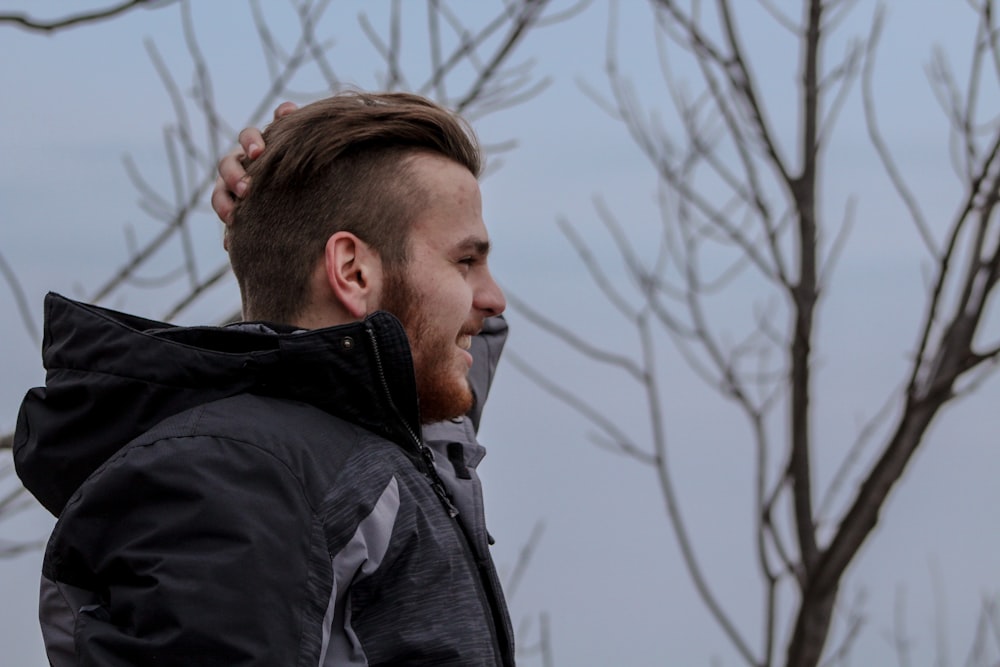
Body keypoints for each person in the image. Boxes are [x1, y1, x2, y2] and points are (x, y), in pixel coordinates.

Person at [14, 91, 515, 666]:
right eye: (465, 261)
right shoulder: (241, 477)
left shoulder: (379, 443)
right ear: (352, 271)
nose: (494, 298)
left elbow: (423, 361)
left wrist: (286, 204)